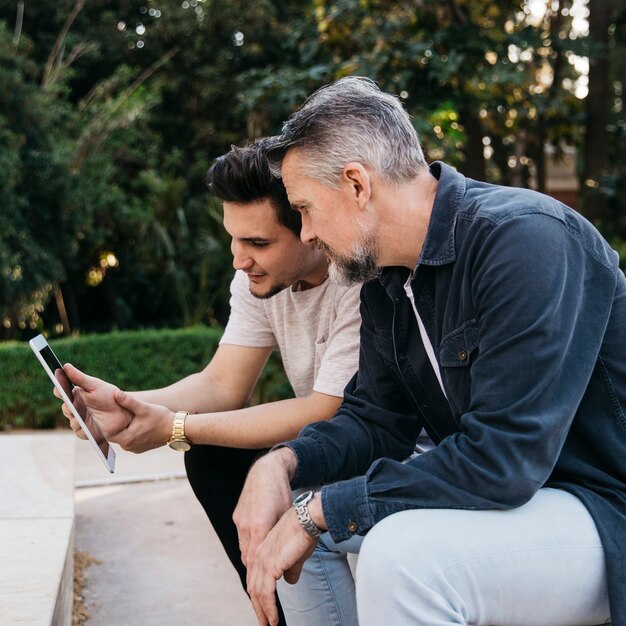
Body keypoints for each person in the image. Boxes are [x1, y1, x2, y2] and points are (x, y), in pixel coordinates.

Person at [233, 77, 626, 626]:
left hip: (602, 510)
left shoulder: (525, 240)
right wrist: (281, 464)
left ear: (355, 185)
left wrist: (321, 510)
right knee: (293, 515)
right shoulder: (386, 280)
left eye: (304, 208)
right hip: (521, 504)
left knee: (402, 556)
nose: (307, 232)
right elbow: (374, 420)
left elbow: (503, 459)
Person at [58, 138, 362, 626]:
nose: (240, 261)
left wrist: (175, 428)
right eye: (234, 240)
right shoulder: (256, 281)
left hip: (372, 445)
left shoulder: (356, 280)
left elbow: (326, 411)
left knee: (205, 443)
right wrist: (122, 404)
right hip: (326, 445)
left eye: (258, 243)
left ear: (309, 227)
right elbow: (222, 383)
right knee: (213, 456)